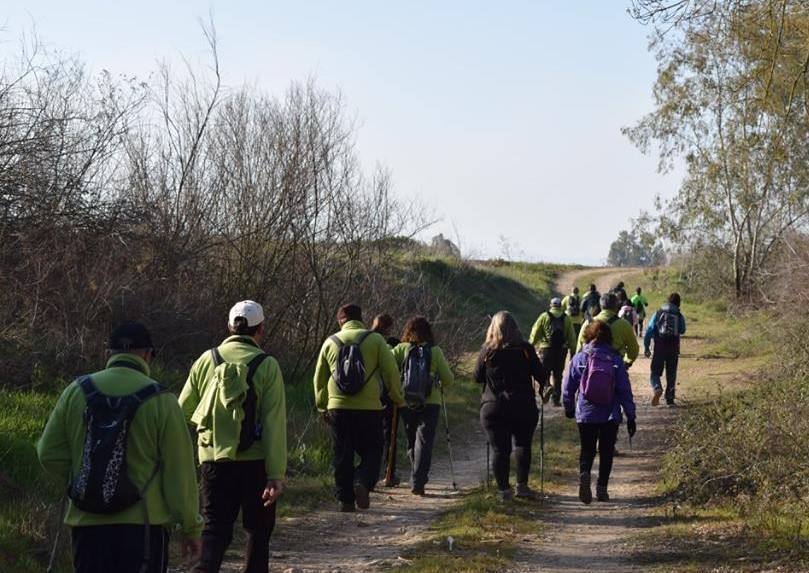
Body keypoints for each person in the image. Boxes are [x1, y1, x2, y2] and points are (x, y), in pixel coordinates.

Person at [38, 321, 202, 573]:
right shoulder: (162, 400)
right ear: (148, 355)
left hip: (87, 525)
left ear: (108, 354)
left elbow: (47, 453)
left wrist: (83, 481)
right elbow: (179, 473)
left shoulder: (76, 392)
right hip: (143, 527)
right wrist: (191, 527)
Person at [179, 301, 287, 573]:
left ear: (229, 327)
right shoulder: (267, 365)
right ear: (260, 329)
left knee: (214, 529)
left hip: (214, 460)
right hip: (256, 462)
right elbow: (274, 424)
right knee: (257, 531)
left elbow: (183, 410)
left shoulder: (207, 359)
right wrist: (276, 474)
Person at [313, 304, 405, 512]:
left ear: (340, 321)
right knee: (373, 449)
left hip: (338, 407)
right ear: (361, 319)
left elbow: (319, 378)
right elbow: (391, 372)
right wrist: (397, 398)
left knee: (342, 453)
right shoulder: (376, 341)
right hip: (370, 408)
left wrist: (321, 406)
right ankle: (362, 481)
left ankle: (345, 500)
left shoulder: (330, 342)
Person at [563, 320, 637, 504]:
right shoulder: (615, 360)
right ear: (609, 338)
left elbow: (568, 387)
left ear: (588, 335)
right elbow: (624, 390)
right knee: (606, 451)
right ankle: (602, 488)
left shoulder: (580, 358)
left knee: (587, 449)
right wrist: (631, 416)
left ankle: (585, 473)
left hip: (585, 413)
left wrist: (569, 407)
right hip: (610, 414)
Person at [475, 311, 545, 501]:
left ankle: (504, 490)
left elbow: (477, 377)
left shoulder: (487, 351)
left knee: (500, 450)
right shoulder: (525, 350)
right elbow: (541, 376)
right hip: (523, 405)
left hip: (493, 406)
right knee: (523, 444)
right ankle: (522, 486)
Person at [392, 316, 454, 495]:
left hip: (406, 401)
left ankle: (416, 473)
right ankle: (418, 481)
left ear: (408, 331)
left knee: (412, 440)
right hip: (430, 402)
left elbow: (386, 366)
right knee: (424, 442)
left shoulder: (401, 349)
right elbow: (448, 380)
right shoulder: (435, 351)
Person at [372, 313, 402, 488]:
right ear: (389, 327)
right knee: (389, 434)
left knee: (370, 435)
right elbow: (391, 371)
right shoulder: (389, 344)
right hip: (387, 396)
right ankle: (389, 472)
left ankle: (368, 474)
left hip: (367, 395)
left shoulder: (364, 339)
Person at [529, 297, 577, 406]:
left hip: (546, 349)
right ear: (560, 306)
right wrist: (573, 352)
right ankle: (556, 399)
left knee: (545, 372)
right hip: (561, 350)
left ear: (551, 305)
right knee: (558, 374)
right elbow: (572, 337)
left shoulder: (544, 316)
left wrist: (530, 345)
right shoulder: (566, 318)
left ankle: (547, 386)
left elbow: (535, 332)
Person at [644, 293, 687, 406]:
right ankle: (670, 398)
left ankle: (657, 387)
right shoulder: (678, 314)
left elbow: (649, 330)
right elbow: (682, 330)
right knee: (671, 374)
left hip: (659, 348)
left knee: (655, 372)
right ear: (678, 303)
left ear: (667, 301)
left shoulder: (658, 313)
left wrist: (647, 346)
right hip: (673, 348)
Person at [576, 293, 639, 368]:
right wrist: (627, 362)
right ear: (616, 306)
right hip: (614, 368)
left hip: (590, 367)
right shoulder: (624, 325)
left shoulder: (588, 323)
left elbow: (580, 348)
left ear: (601, 306)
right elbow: (634, 350)